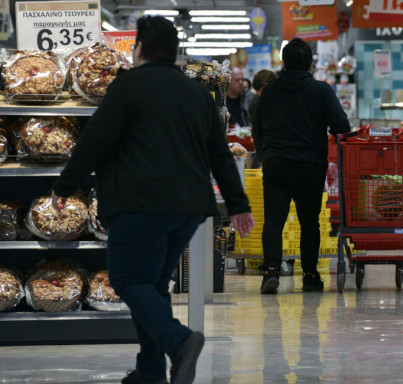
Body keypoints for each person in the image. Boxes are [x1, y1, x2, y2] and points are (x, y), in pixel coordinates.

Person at [50, 16, 255, 384]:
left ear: (139, 49)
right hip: (189, 208)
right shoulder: (196, 93)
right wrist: (238, 205)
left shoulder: (128, 86)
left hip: (140, 204)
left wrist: (64, 187)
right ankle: (149, 373)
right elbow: (220, 154)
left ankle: (180, 342)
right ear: (175, 51)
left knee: (128, 280)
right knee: (153, 286)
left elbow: (95, 140)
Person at [253, 38, 350, 294]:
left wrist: (267, 156)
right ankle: (310, 275)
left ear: (283, 63)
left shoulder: (270, 92)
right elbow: (341, 125)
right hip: (310, 165)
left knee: (274, 220)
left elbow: (256, 128)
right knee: (310, 223)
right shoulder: (321, 90)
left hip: (276, 164)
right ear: (309, 63)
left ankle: (271, 270)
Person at [247, 69, 279, 169]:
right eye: (260, 95)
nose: (264, 99)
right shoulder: (255, 103)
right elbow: (256, 133)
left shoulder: (285, 101)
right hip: (266, 153)